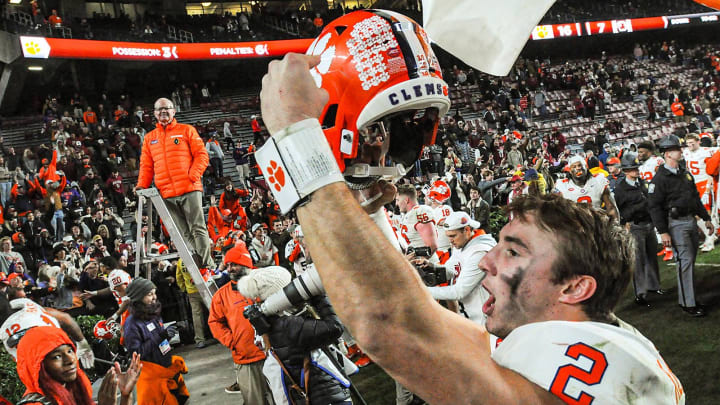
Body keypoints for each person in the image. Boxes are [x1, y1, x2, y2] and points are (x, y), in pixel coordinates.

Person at [254, 10, 685, 403]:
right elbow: (421, 318)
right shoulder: (571, 338)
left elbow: (393, 325)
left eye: (514, 251)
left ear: (574, 288)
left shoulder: (597, 367)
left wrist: (297, 141)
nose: (490, 261)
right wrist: (371, 212)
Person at [239, 267, 353, 405]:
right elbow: (334, 328)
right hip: (325, 397)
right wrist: (319, 297)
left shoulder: (272, 322)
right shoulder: (288, 325)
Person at [136, 98, 215, 270]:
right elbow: (146, 165)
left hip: (189, 188)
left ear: (174, 111)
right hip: (166, 192)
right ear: (155, 114)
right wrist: (141, 187)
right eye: (159, 109)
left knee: (198, 227)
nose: (163, 112)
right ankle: (197, 262)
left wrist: (193, 175)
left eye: (167, 109)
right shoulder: (150, 138)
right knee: (182, 232)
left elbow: (202, 155)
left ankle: (207, 264)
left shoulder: (187, 130)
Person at [648, 135, 713, 317]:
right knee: (685, 261)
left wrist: (706, 218)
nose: (681, 151)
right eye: (677, 149)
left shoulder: (684, 172)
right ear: (668, 154)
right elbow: (654, 207)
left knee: (688, 260)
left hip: (690, 219)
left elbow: (695, 198)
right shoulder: (659, 179)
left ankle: (689, 299)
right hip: (675, 223)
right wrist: (663, 232)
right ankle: (688, 303)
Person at [208, 245, 272, 403]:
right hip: (247, 359)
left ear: (246, 264)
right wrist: (232, 341)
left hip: (275, 354)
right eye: (227, 265)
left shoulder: (264, 284)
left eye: (233, 264)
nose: (229, 269)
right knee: (254, 401)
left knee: (284, 397)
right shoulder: (221, 296)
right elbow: (215, 322)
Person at [15, 326, 141, 405]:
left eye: (70, 351)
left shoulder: (75, 386)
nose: (70, 360)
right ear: (37, 366)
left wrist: (126, 394)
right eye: (56, 357)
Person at [413, 211, 496, 325]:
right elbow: (451, 271)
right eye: (448, 236)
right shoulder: (464, 244)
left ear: (466, 230)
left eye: (453, 236)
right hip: (471, 315)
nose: (450, 240)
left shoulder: (480, 251)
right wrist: (432, 266)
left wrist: (420, 290)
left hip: (485, 319)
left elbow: (459, 292)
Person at [123, 278, 190, 404]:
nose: (154, 297)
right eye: (149, 294)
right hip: (152, 378)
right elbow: (136, 354)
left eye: (154, 293)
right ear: (138, 297)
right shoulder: (132, 324)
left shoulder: (152, 314)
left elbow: (159, 340)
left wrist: (170, 333)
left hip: (167, 370)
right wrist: (161, 336)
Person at [613, 154, 662, 307]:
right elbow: (620, 210)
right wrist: (629, 217)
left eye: (636, 168)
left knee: (651, 256)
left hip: (648, 223)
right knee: (638, 260)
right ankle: (640, 293)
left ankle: (654, 286)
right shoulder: (621, 189)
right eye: (633, 169)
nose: (636, 170)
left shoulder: (642, 183)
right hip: (635, 225)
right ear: (626, 171)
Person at [554, 155, 619, 221]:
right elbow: (555, 210)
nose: (578, 168)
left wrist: (616, 225)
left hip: (597, 223)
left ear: (586, 167)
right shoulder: (562, 185)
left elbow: (611, 207)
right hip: (575, 225)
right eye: (574, 166)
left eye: (580, 165)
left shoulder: (598, 180)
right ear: (570, 171)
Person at [682, 133, 718, 251]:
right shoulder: (686, 152)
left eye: (692, 143)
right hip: (693, 184)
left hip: (704, 183)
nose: (690, 145)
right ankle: (711, 236)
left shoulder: (706, 152)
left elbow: (710, 170)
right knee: (696, 214)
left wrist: (708, 189)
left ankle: (710, 240)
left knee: (707, 213)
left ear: (699, 142)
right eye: (688, 143)